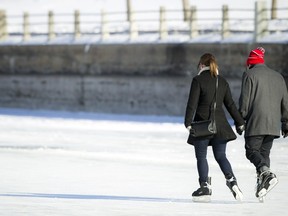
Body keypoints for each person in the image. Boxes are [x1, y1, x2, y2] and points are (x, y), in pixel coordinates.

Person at [184, 53, 245, 202]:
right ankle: (232, 181)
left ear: (201, 65)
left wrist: (188, 122)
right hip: (221, 125)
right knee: (221, 156)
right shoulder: (222, 81)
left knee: (201, 156)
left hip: (202, 125)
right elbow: (230, 104)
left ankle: (204, 186)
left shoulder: (198, 80)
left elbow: (192, 103)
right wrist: (240, 122)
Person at [238, 47, 288, 201]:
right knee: (264, 154)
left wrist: (240, 119)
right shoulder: (278, 76)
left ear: (250, 63)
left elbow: (245, 102)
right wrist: (285, 121)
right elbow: (285, 101)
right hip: (273, 124)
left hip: (256, 121)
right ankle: (263, 188)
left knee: (251, 150)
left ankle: (267, 174)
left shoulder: (249, 75)